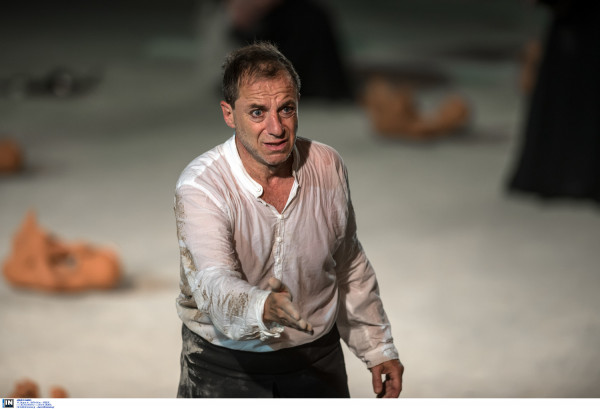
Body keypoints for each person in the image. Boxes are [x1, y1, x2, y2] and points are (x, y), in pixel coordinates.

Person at [174, 42, 403, 398]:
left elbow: (348, 263)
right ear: (228, 114)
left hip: (317, 356)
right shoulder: (202, 186)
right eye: (257, 112)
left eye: (286, 109)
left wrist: (377, 347)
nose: (276, 127)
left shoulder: (326, 165)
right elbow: (212, 282)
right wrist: (261, 306)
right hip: (225, 364)